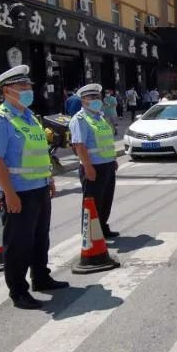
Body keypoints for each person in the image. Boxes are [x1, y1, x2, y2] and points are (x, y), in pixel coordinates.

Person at [0, 65, 67, 309]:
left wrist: (48, 178)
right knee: (18, 243)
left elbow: (39, 153)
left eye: (29, 86)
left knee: (40, 238)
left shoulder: (29, 116)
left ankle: (41, 277)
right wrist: (9, 193)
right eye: (23, 87)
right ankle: (18, 291)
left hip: (39, 188)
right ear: (8, 90)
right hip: (18, 191)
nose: (29, 90)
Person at [70, 83, 122, 247]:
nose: (95, 100)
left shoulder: (99, 118)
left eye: (97, 97)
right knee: (92, 202)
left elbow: (106, 141)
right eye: (91, 97)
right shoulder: (80, 119)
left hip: (106, 165)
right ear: (83, 100)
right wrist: (88, 167)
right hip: (93, 167)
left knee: (106, 200)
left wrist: (112, 160)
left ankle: (102, 227)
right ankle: (91, 233)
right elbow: (79, 145)